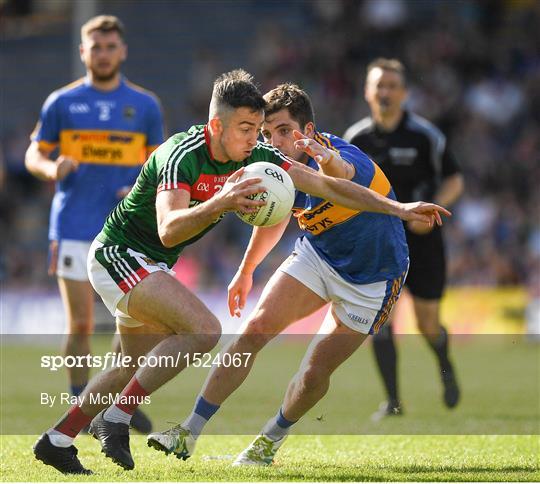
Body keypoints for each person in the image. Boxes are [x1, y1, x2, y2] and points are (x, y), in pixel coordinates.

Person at [32, 70, 449, 475]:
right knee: (205, 330)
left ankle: (57, 440)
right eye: (250, 129)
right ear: (217, 125)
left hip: (368, 274)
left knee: (127, 367)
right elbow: (168, 228)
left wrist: (398, 207)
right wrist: (224, 205)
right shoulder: (182, 153)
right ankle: (120, 417)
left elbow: (332, 184)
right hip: (120, 256)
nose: (258, 141)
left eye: (262, 130)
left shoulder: (263, 158)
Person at [144, 83, 451, 466]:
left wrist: (335, 166)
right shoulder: (274, 165)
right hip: (319, 257)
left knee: (312, 375)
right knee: (254, 330)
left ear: (307, 130)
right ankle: (188, 431)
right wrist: (246, 270)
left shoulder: (339, 153)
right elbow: (274, 218)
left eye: (285, 131)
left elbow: (341, 174)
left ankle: (270, 440)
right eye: (266, 133)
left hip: (373, 279)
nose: (275, 141)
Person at [25, 15, 163, 433]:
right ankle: (79, 404)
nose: (102, 54)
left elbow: (160, 166)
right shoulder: (61, 103)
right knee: (81, 324)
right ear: (82, 52)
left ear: (122, 51)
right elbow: (34, 155)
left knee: (131, 322)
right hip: (73, 226)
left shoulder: (145, 106)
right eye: (95, 47)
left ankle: (112, 398)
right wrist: (52, 169)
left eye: (109, 47)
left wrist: (140, 189)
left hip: (126, 230)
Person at [343, 58, 464, 420]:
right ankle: (393, 402)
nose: (385, 92)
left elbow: (455, 179)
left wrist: (434, 209)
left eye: (392, 86)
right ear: (367, 92)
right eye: (378, 85)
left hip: (423, 242)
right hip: (379, 242)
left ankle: (445, 364)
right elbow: (342, 188)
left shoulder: (425, 136)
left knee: (428, 324)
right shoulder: (356, 139)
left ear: (404, 93)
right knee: (379, 321)